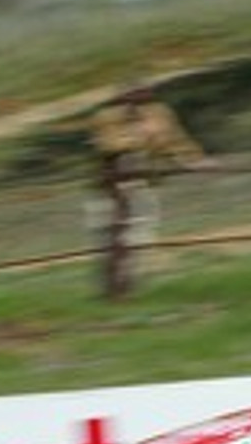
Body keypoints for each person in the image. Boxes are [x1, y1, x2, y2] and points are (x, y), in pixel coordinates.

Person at [89, 83, 215, 297]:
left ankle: (128, 286)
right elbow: (108, 145)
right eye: (130, 97)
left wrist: (197, 162)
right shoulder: (105, 117)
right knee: (107, 237)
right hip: (109, 187)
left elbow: (176, 142)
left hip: (142, 184)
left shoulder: (159, 114)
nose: (136, 103)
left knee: (141, 234)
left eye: (142, 96)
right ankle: (111, 289)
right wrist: (140, 135)